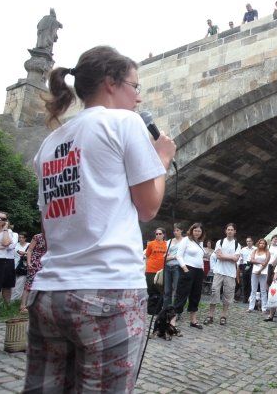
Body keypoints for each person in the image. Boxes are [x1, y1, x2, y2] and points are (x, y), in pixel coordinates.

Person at [25, 45, 176, 392]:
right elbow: (149, 207)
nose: (138, 99)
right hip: (106, 290)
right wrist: (162, 160)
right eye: (135, 87)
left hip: (49, 292)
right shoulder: (123, 122)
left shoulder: (49, 143)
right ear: (111, 82)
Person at [205, 223, 240, 326]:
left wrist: (226, 256)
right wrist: (231, 257)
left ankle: (223, 316)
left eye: (231, 230)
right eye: (228, 229)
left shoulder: (237, 244)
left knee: (227, 294)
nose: (229, 231)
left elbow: (236, 259)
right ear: (225, 231)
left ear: (234, 231)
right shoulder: (220, 242)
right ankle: (210, 315)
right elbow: (219, 257)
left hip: (230, 273)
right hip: (219, 271)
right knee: (214, 291)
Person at [174, 223, 205, 329]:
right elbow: (178, 255)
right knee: (181, 295)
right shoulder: (186, 240)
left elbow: (200, 258)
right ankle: (172, 321)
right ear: (191, 230)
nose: (197, 232)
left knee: (195, 296)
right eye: (195, 230)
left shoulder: (200, 242)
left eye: (199, 231)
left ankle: (193, 320)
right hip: (187, 269)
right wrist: (185, 269)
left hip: (198, 272)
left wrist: (202, 270)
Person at [20, 233, 47, 313]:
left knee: (45, 284)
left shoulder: (52, 236)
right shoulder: (37, 236)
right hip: (35, 262)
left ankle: (41, 306)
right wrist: (28, 263)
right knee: (29, 283)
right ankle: (23, 306)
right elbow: (30, 250)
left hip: (46, 262)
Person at [163, 224, 184, 310]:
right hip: (168, 267)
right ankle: (165, 310)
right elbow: (165, 255)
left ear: (181, 231)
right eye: (174, 231)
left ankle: (175, 310)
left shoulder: (184, 241)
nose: (175, 232)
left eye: (177, 230)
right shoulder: (170, 241)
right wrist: (172, 256)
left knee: (176, 289)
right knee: (167, 290)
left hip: (177, 267)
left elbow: (182, 255)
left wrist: (172, 257)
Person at [248, 238, 270, 313]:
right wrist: (260, 262)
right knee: (253, 290)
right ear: (258, 243)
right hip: (254, 272)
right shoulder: (255, 251)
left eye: (263, 243)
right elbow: (251, 260)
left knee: (263, 290)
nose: (262, 244)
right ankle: (251, 307)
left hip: (263, 272)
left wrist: (260, 270)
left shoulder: (267, 252)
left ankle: (264, 308)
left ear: (265, 245)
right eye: (261, 243)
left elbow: (266, 262)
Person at [145, 228, 167, 299]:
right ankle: (151, 308)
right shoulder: (151, 244)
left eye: (160, 234)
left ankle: (159, 307)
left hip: (162, 270)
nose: (158, 235)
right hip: (151, 269)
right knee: (151, 290)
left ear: (163, 235)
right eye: (156, 234)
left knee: (160, 289)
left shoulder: (167, 244)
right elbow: (147, 255)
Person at [12, 232, 29, 301]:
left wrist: (24, 253)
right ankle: (12, 298)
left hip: (24, 266)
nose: (21, 239)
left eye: (22, 237)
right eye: (19, 237)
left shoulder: (29, 245)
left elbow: (33, 253)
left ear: (25, 238)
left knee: (21, 283)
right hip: (15, 265)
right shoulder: (15, 245)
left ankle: (17, 298)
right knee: (14, 282)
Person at [239, 237, 256, 303]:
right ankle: (245, 298)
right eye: (247, 241)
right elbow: (241, 258)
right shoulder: (243, 249)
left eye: (250, 241)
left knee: (251, 282)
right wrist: (240, 268)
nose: (248, 242)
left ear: (252, 242)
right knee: (244, 282)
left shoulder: (256, 249)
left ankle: (250, 298)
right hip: (245, 266)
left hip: (252, 266)